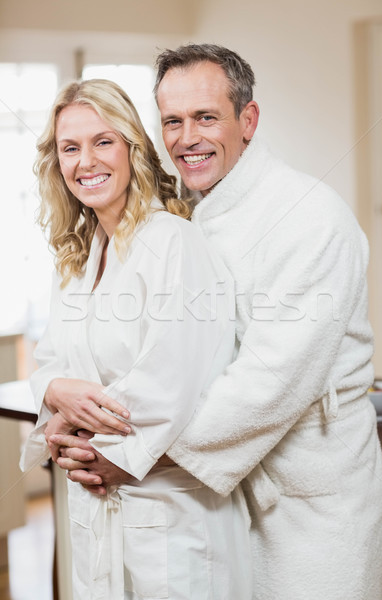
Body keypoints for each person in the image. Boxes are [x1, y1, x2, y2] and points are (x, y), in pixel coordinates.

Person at [52, 45, 382, 600]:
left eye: (206, 117)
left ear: (248, 120)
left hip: (307, 500)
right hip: (213, 499)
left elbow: (268, 381)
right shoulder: (180, 211)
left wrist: (129, 455)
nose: (188, 138)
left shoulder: (310, 217)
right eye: (173, 122)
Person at [20, 77, 254, 600]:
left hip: (171, 516)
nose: (86, 162)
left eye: (103, 141)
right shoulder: (78, 257)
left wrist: (88, 446)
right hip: (97, 507)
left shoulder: (173, 242)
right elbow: (52, 359)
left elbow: (175, 380)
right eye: (70, 148)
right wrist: (55, 390)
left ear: (132, 149)